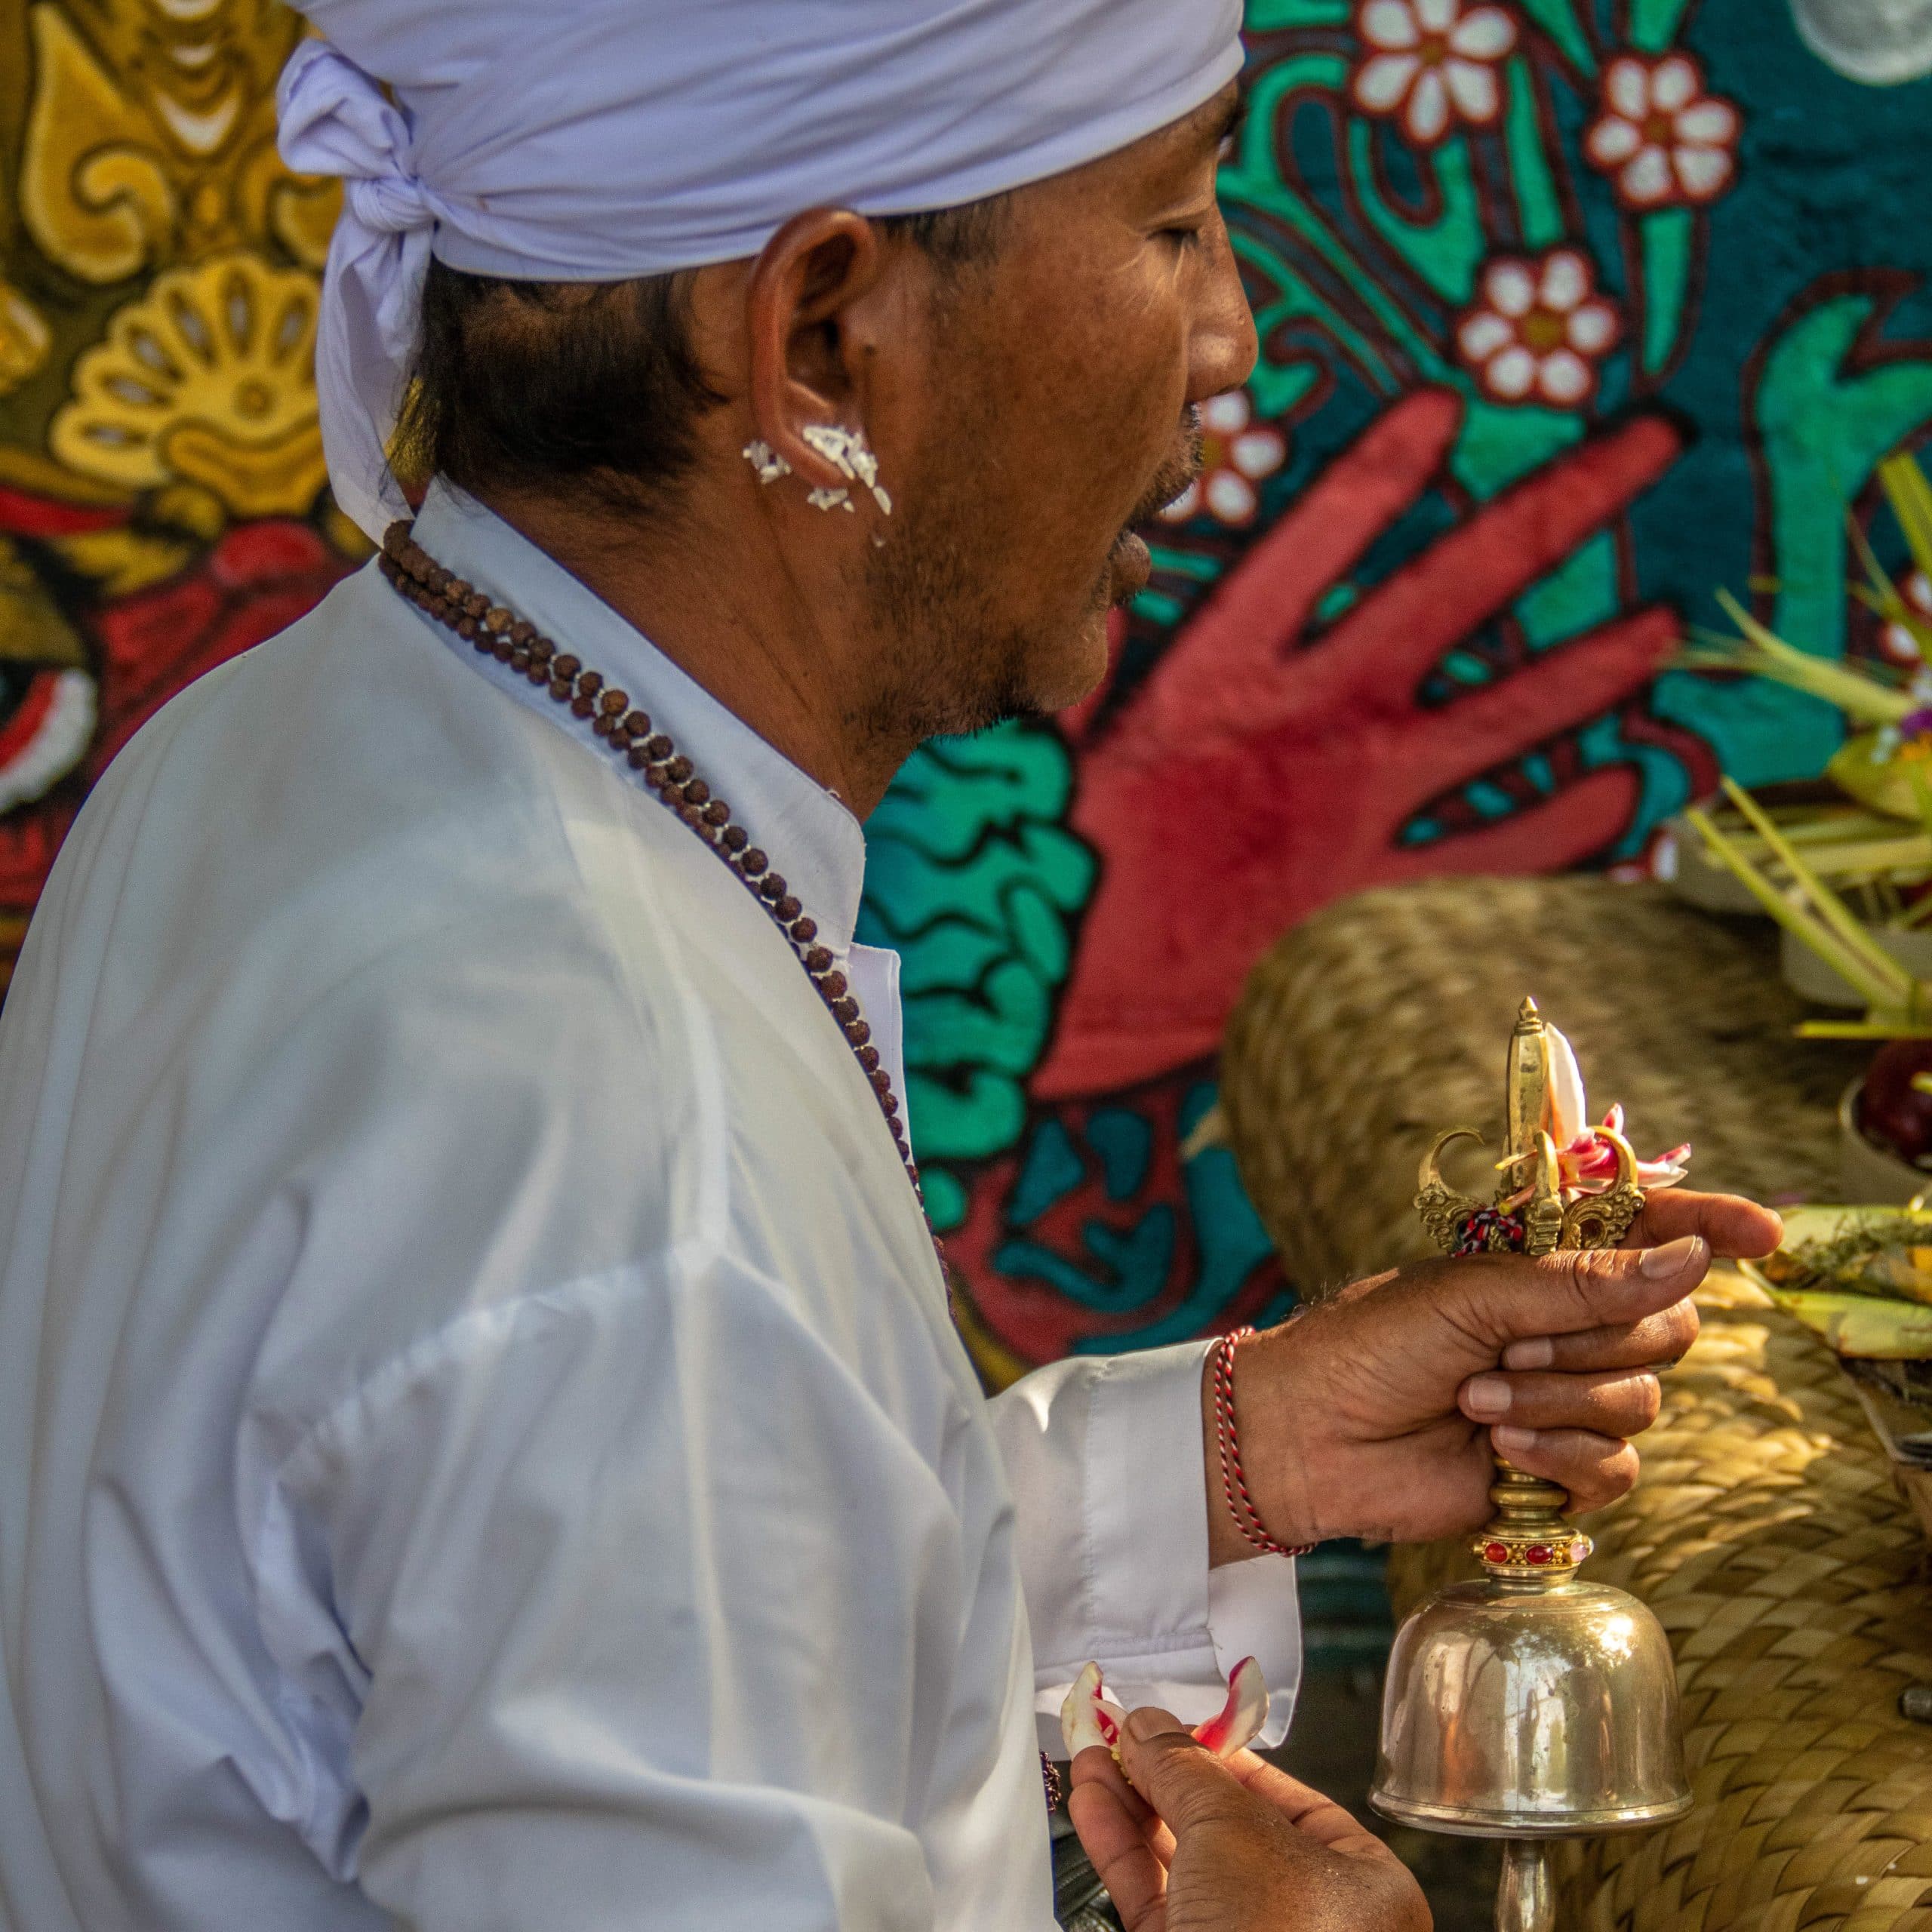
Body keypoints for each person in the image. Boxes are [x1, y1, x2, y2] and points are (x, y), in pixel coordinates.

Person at [0, 4, 1780, 1929]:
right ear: (828, 335)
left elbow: (609, 1598)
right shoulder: (627, 1155)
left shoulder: (259, 747)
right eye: (1175, 222)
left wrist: (1233, 1451)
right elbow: (633, 1415)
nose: (1229, 341)